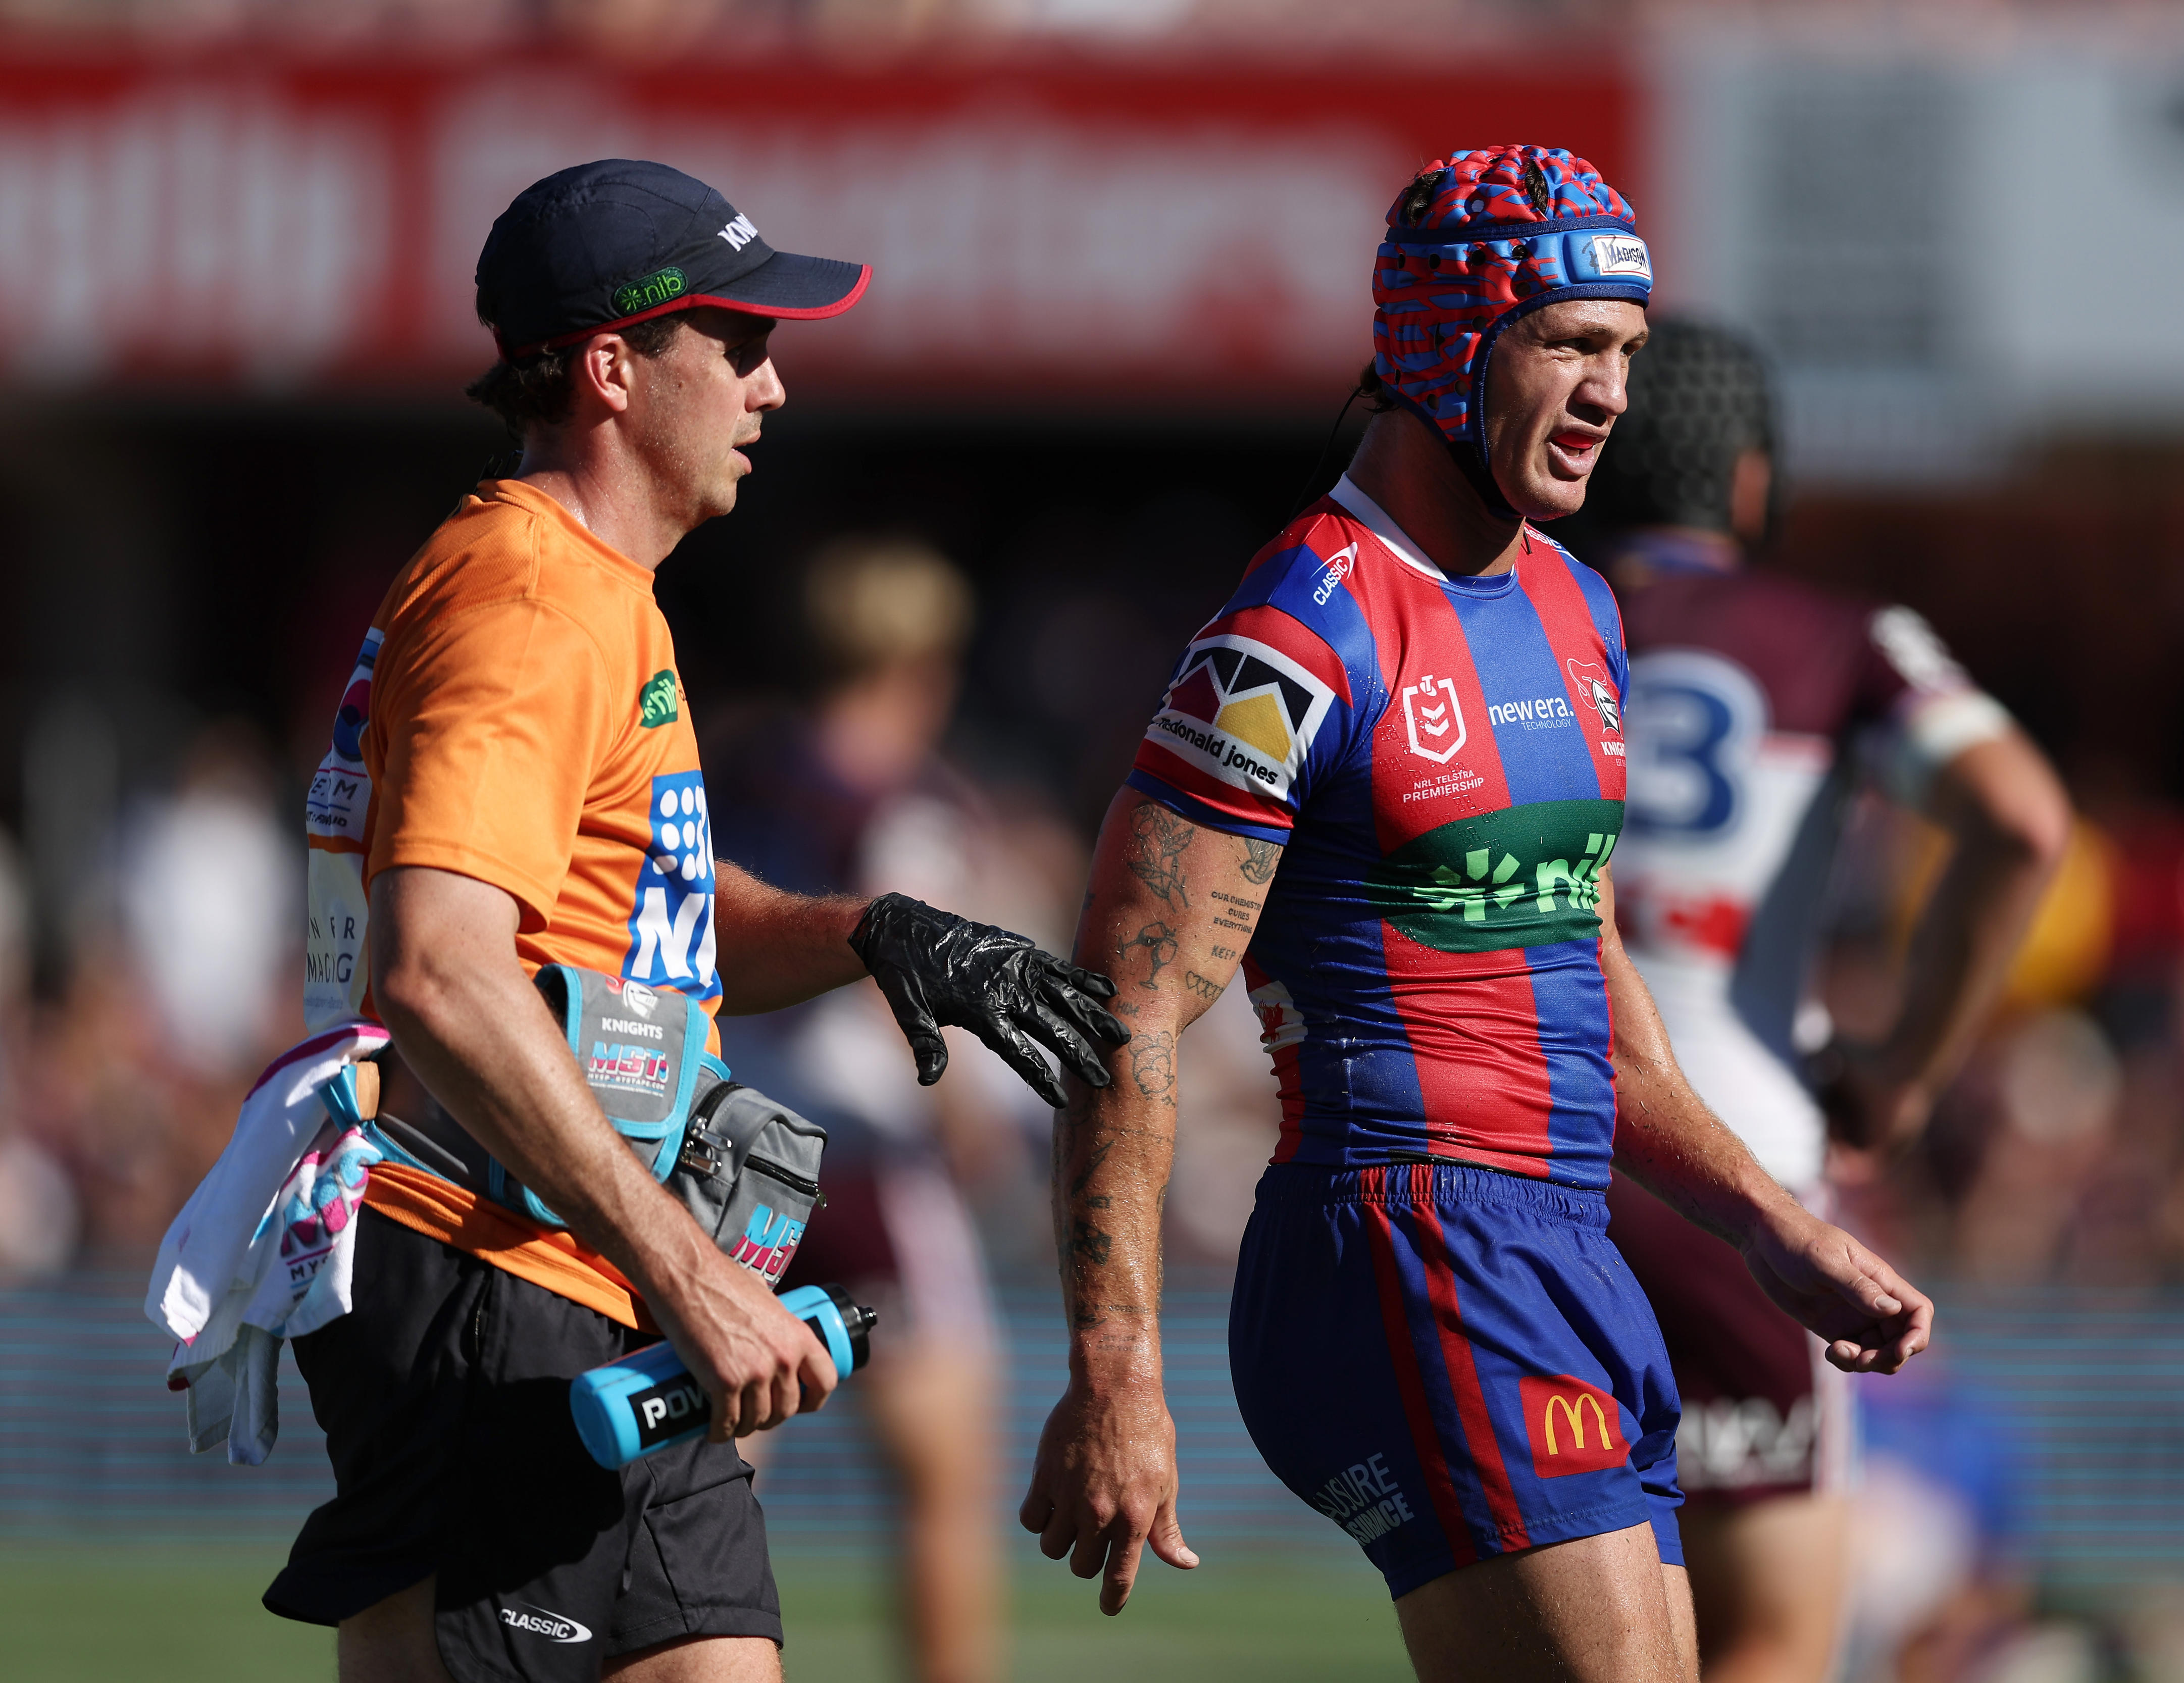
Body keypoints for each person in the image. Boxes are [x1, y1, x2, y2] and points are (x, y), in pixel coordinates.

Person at [1019, 144, 1934, 1683]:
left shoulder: (1579, 610)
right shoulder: (1291, 634)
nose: (1612, 394)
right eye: (1572, 342)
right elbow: (1128, 1009)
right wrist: (1117, 1368)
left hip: (1567, 1238)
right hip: (1402, 1237)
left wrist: (1774, 1225)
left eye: (1630, 354)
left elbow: (1589, 994)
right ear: (1449, 334)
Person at [268, 160, 1124, 1683]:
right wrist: (687, 1265)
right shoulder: (527, 599)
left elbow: (628, 918)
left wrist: (873, 929)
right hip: (496, 1277)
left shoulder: (602, 592)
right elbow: (443, 969)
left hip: (576, 1278)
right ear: (612, 368)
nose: (774, 385)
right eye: (739, 344)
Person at [1586, 317, 2070, 1683]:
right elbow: (2022, 820)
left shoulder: (1493, 614)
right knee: (1769, 1640)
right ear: (1750, 483)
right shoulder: (1830, 634)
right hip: (1738, 1164)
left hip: (1513, 1158)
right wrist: (1906, 1067)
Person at [710, 539, 1033, 1683]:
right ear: (923, 664)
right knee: (944, 1484)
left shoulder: (733, 768)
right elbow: (932, 996)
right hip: (869, 1170)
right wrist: (974, 1136)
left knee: (707, 1491)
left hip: (732, 1156)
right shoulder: (909, 803)